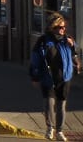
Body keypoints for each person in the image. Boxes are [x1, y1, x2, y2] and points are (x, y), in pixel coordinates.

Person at [30, 13, 81, 141]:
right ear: (52, 27)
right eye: (59, 27)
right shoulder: (44, 41)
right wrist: (35, 77)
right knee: (49, 104)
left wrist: (73, 46)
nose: (62, 30)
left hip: (64, 78)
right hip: (48, 78)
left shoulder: (67, 39)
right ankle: (50, 128)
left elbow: (75, 54)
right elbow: (35, 59)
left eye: (63, 27)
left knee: (61, 105)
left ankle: (60, 131)